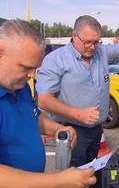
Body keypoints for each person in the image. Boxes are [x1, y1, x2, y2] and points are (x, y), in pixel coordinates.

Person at [36, 14, 119, 186]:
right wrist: (78, 114)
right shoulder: (56, 60)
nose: (92, 47)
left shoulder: (102, 53)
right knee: (73, 178)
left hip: (96, 130)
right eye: (87, 42)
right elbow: (44, 100)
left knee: (90, 170)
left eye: (96, 42)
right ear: (74, 36)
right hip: (72, 132)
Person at [0, 19, 96, 188]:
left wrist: (57, 129)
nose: (32, 75)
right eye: (25, 67)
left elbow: (32, 117)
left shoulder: (20, 86)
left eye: (35, 68)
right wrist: (58, 181)